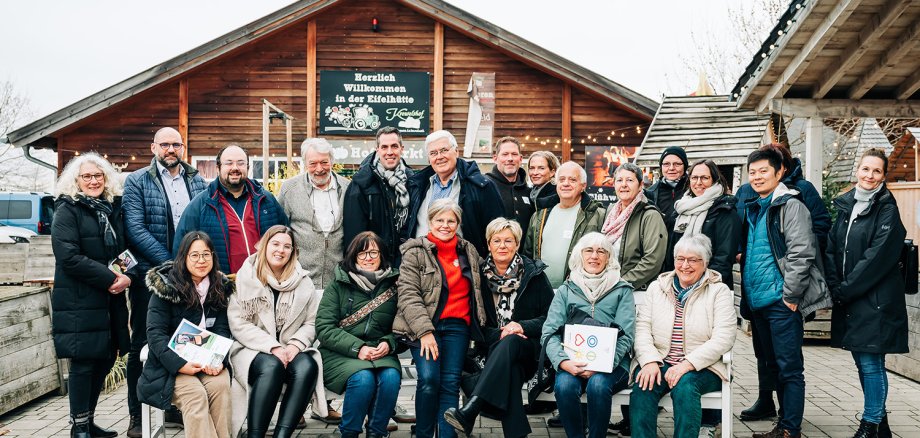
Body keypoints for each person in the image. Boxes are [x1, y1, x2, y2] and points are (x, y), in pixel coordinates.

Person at [121, 127, 207, 436]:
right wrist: (171, 264)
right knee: (144, 343)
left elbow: (202, 223)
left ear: (183, 148)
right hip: (153, 277)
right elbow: (135, 227)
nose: (170, 149)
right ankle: (136, 415)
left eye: (176, 144)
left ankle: (175, 408)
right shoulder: (136, 181)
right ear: (153, 147)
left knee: (185, 337)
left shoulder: (196, 180)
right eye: (165, 144)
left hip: (190, 276)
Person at [736, 143, 831, 422]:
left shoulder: (791, 205)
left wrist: (790, 296)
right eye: (752, 172)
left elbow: (802, 253)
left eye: (763, 171)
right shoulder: (755, 206)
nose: (756, 177)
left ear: (780, 173)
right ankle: (781, 420)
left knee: (789, 368)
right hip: (759, 301)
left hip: (781, 301)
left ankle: (790, 427)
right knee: (772, 365)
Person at [443, 218, 554, 438]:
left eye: (508, 241)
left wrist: (520, 326)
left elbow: (551, 318)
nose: (502, 246)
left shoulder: (535, 275)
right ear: (488, 244)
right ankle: (516, 434)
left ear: (517, 244)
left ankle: (471, 410)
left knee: (512, 340)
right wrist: (501, 332)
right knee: (510, 368)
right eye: (497, 241)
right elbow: (474, 323)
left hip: (528, 352)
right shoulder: (477, 278)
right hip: (492, 352)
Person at [825, 149, 907, 438]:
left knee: (871, 363)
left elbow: (877, 258)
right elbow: (833, 248)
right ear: (857, 170)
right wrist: (836, 285)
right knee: (862, 360)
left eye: (876, 171)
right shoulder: (848, 206)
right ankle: (881, 425)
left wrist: (845, 289)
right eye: (865, 169)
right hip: (852, 297)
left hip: (876, 301)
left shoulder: (886, 208)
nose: (869, 176)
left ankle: (870, 424)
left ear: (884, 176)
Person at [50, 152, 131, 438]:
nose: (93, 181)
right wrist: (111, 278)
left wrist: (125, 274)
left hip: (109, 299)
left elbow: (120, 250)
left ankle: (89, 422)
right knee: (84, 362)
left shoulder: (109, 208)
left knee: (106, 357)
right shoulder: (67, 210)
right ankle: (79, 427)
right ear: (76, 180)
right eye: (87, 176)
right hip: (79, 300)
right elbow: (68, 257)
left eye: (98, 176)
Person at [393, 198, 487, 438]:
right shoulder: (415, 252)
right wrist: (425, 332)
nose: (445, 225)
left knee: (449, 384)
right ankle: (424, 434)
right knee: (428, 380)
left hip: (458, 327)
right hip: (423, 326)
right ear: (430, 222)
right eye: (439, 220)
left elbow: (481, 285)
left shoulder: (468, 250)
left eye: (451, 221)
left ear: (457, 223)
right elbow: (408, 294)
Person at [629, 234, 737, 438]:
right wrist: (650, 361)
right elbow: (641, 328)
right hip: (661, 360)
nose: (685, 265)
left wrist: (687, 364)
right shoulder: (657, 288)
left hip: (704, 366)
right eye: (680, 259)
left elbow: (724, 336)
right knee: (644, 385)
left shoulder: (718, 291)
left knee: (685, 386)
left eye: (693, 260)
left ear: (705, 264)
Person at [228, 225, 327, 438]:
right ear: (264, 246)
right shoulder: (245, 278)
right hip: (251, 350)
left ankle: (282, 435)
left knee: (307, 364)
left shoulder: (303, 282)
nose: (280, 250)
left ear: (293, 252)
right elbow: (239, 324)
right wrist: (272, 346)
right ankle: (256, 434)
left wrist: (295, 345)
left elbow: (311, 323)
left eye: (287, 246)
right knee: (272, 366)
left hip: (290, 347)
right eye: (275, 244)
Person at [138, 232, 234, 438]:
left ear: (213, 256)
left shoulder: (219, 286)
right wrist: (181, 365)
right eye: (195, 255)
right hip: (171, 365)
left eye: (206, 254)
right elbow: (155, 334)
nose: (201, 261)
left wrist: (218, 360)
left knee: (221, 387)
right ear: (183, 257)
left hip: (208, 360)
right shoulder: (166, 287)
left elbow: (222, 330)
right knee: (196, 396)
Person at [541, 232, 635, 438]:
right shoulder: (567, 290)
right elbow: (549, 332)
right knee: (565, 386)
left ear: (609, 258)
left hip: (612, 365)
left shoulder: (622, 290)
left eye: (601, 251)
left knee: (598, 385)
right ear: (579, 255)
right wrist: (564, 362)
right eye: (589, 251)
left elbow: (627, 335)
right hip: (571, 361)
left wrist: (602, 363)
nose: (595, 256)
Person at [316, 231, 402, 438]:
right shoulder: (338, 284)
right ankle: (349, 432)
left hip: (380, 351)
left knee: (390, 377)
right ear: (353, 256)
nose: (368, 258)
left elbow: (403, 328)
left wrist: (389, 343)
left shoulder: (395, 284)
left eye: (374, 252)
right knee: (363, 379)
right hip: (340, 352)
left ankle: (377, 432)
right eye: (362, 253)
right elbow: (324, 327)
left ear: (382, 255)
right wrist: (358, 348)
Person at [173, 144, 288, 274]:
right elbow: (181, 248)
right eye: (229, 163)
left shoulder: (267, 200)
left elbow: (286, 236)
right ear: (218, 168)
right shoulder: (201, 205)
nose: (235, 168)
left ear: (248, 167)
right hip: (221, 286)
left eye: (240, 163)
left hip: (264, 282)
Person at [403, 130, 503, 257]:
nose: (439, 156)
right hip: (422, 266)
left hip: (462, 267)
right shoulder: (417, 186)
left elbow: (497, 232)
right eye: (433, 153)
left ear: (456, 152)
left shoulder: (482, 186)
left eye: (444, 150)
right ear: (429, 159)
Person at [279, 138, 350, 289]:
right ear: (305, 164)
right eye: (313, 163)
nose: (319, 169)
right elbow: (280, 230)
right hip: (299, 279)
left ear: (332, 161)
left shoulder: (348, 188)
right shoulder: (289, 189)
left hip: (338, 280)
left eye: (324, 162)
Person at [522, 161, 605, 288]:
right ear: (556, 184)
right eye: (562, 179)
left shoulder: (596, 214)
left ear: (583, 186)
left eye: (572, 180)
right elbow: (528, 254)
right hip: (541, 290)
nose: (566, 183)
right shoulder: (540, 215)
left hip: (579, 290)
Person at [343, 126, 415, 266]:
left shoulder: (413, 181)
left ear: (402, 148)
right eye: (384, 147)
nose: (389, 152)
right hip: (375, 265)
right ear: (377, 149)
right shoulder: (361, 184)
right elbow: (354, 234)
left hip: (408, 264)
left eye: (394, 146)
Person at [664, 159, 740, 288]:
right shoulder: (682, 209)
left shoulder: (725, 211)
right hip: (678, 285)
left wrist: (701, 286)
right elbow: (671, 253)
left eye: (704, 178)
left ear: (714, 180)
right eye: (694, 178)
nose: (698, 182)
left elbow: (724, 258)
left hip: (711, 286)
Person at [602, 162, 667, 291]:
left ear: (640, 185)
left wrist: (621, 284)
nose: (624, 185)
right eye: (619, 180)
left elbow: (652, 261)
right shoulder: (610, 213)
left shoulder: (650, 215)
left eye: (630, 180)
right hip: (606, 287)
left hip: (635, 291)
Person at [485, 136, 535, 228]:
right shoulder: (484, 186)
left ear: (520, 159)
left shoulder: (529, 192)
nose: (510, 158)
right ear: (495, 158)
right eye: (505, 154)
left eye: (514, 154)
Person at [645, 146, 689, 231]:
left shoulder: (693, 189)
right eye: (666, 164)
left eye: (677, 164)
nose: (671, 168)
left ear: (685, 166)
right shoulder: (651, 192)